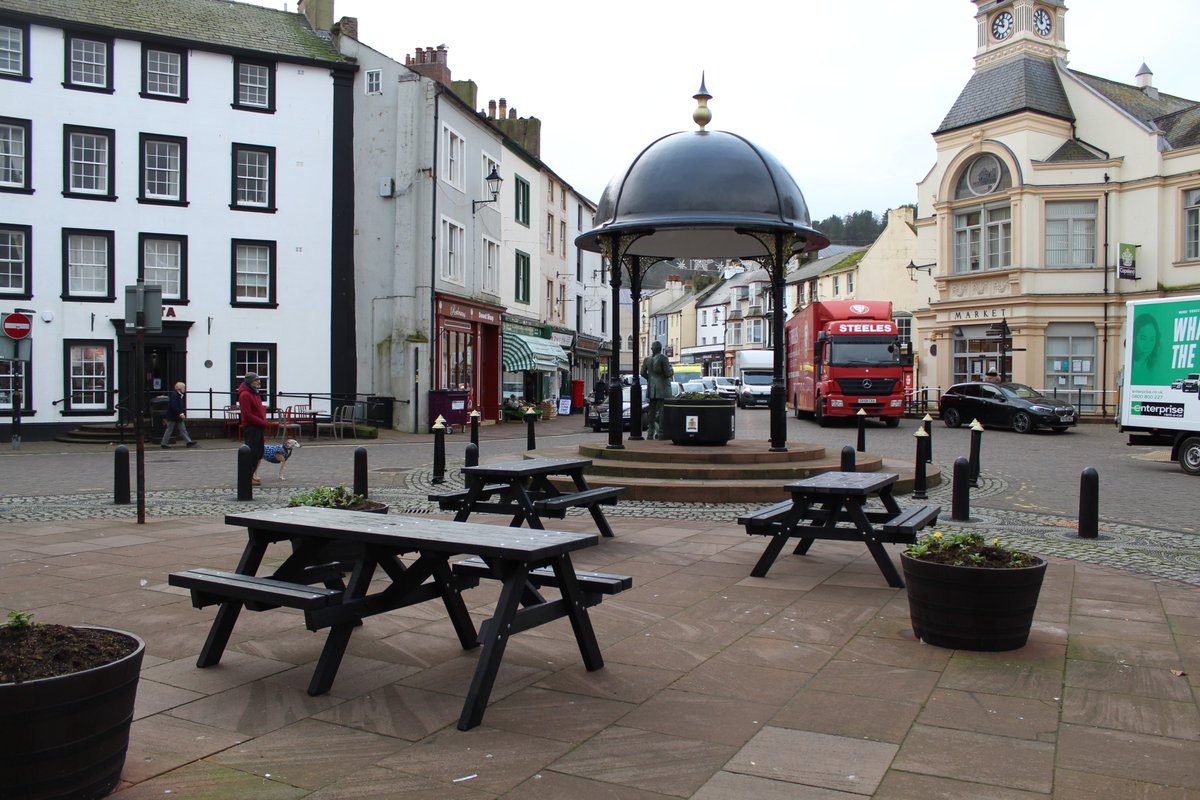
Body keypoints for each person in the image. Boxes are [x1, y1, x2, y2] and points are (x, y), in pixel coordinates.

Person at [238, 372, 267, 486]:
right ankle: (247, 477)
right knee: (252, 453)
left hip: (258, 427)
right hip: (251, 428)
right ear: (250, 381)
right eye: (256, 380)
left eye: (259, 379)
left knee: (259, 453)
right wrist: (262, 422)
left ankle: (251, 476)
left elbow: (258, 410)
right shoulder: (245, 395)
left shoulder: (255, 393)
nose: (259, 381)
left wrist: (263, 421)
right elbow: (247, 415)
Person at [641, 341, 674, 439]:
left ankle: (650, 433)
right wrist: (672, 370)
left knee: (651, 411)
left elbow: (642, 372)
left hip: (652, 388)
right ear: (660, 348)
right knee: (662, 411)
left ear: (653, 349)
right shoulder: (663, 358)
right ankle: (661, 432)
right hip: (662, 388)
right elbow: (667, 373)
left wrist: (650, 379)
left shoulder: (647, 359)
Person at [160, 382, 196, 449]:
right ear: (180, 388)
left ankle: (188, 442)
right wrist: (181, 413)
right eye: (184, 388)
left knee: (183, 429)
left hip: (176, 416)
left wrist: (181, 413)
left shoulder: (178, 395)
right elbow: (173, 406)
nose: (185, 389)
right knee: (169, 429)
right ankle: (164, 443)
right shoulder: (175, 395)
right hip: (173, 416)